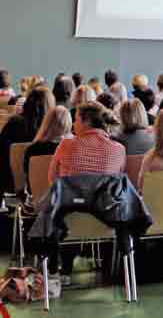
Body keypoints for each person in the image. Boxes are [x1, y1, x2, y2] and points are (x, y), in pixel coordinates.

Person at [47, 102, 126, 279]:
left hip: (70, 218)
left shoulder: (66, 145)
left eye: (76, 120)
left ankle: (63, 269)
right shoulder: (119, 150)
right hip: (107, 219)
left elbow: (52, 179)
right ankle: (109, 270)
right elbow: (117, 183)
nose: (74, 125)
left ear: (86, 121)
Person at [0, 86, 56, 192]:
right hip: (46, 187)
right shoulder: (54, 128)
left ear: (27, 102)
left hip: (10, 183)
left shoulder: (14, 123)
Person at [24, 106, 72, 188]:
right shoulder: (73, 148)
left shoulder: (32, 149)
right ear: (68, 123)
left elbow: (26, 173)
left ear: (46, 122)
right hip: (63, 196)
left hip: (37, 194)